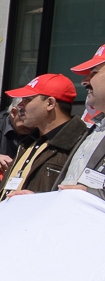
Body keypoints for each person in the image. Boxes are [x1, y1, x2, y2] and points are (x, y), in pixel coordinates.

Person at [0, 73, 89, 206]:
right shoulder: (29, 142)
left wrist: (30, 201)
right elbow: (7, 192)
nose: (21, 105)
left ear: (50, 103)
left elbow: (80, 200)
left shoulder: (80, 145)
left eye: (28, 99)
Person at [58, 44, 105, 199]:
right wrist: (37, 198)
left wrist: (89, 195)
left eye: (94, 73)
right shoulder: (95, 128)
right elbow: (71, 186)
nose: (85, 81)